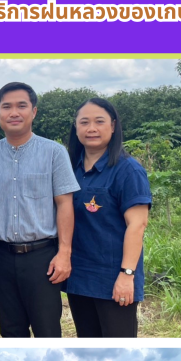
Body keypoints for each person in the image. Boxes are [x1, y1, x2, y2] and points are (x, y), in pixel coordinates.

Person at [0, 82, 79, 338]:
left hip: (42, 257)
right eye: (6, 107)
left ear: (33, 112)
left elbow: (64, 203)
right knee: (10, 330)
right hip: (0, 254)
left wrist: (64, 253)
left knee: (47, 329)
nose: (14, 112)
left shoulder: (54, 152)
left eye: (21, 106)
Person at [64, 98, 152, 338]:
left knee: (118, 344)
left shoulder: (128, 170)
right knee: (88, 341)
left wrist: (127, 275)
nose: (91, 128)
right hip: (79, 275)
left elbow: (137, 225)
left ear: (113, 126)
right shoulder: (70, 169)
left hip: (113, 277)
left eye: (99, 121)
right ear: (76, 127)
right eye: (84, 122)